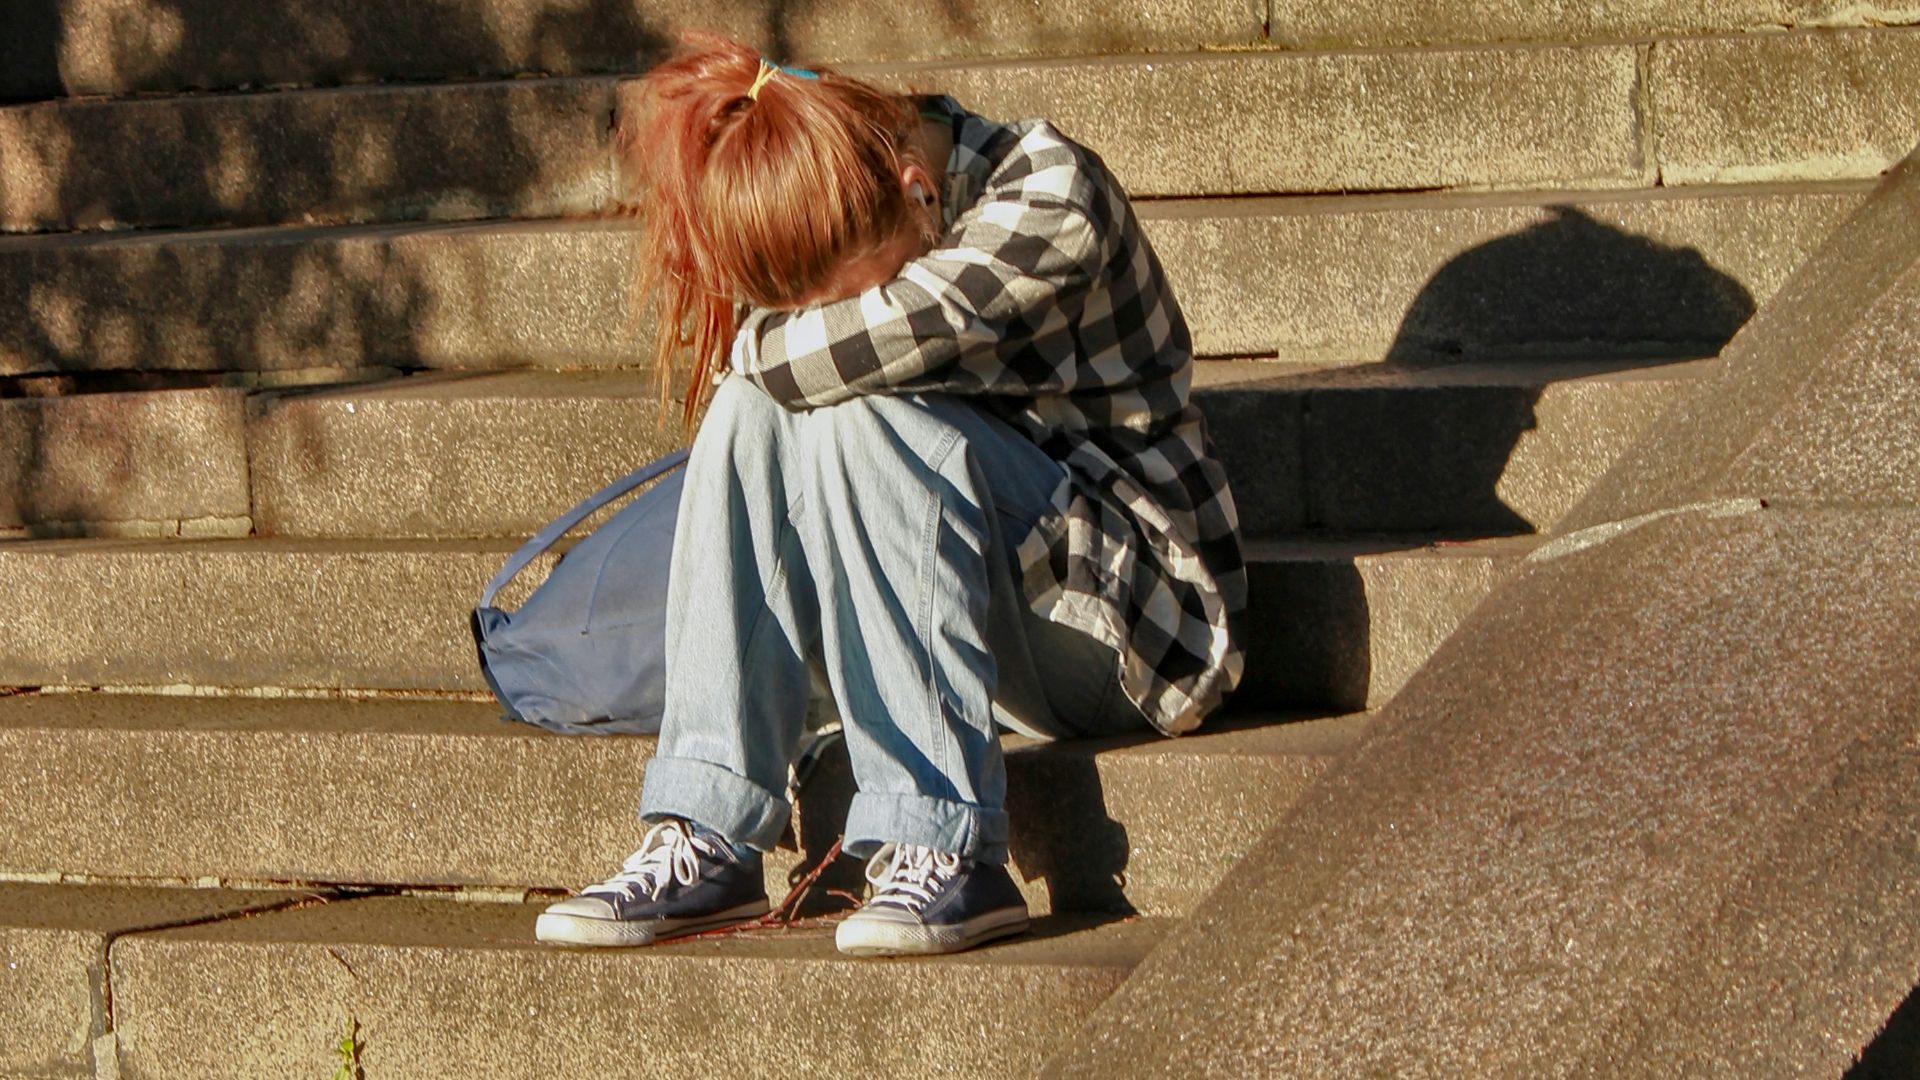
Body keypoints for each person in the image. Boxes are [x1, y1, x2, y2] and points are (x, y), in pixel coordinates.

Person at [534, 33, 1246, 957]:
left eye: (850, 292)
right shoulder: (874, 204)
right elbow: (793, 373)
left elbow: (824, 355)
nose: (828, 317)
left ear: (918, 187)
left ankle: (943, 845)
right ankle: (708, 824)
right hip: (984, 619)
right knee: (768, 410)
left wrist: (759, 348)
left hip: (1137, 626)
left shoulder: (1048, 193)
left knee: (844, 402)